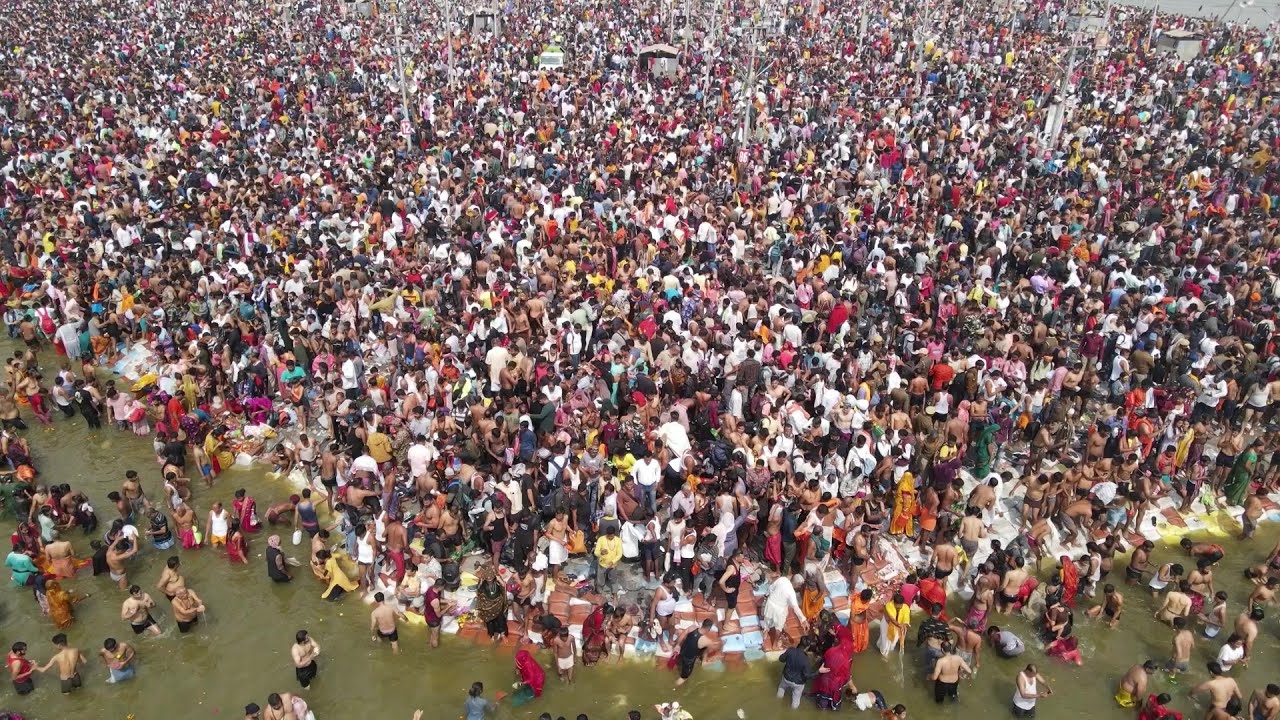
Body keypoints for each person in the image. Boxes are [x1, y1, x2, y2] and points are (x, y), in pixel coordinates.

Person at [674, 618, 718, 687]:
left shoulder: (692, 627)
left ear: (702, 624)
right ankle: (674, 689)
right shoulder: (707, 641)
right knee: (684, 678)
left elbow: (682, 635)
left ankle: (703, 661)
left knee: (704, 647)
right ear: (709, 629)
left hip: (682, 652)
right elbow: (714, 648)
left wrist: (678, 645)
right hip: (688, 661)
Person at [776, 636, 815, 710]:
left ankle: (777, 704)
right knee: (796, 700)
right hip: (798, 684)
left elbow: (781, 659)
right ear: (808, 647)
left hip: (786, 678)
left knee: (781, 688)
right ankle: (792, 713)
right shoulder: (806, 660)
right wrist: (818, 672)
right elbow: (807, 676)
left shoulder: (790, 650)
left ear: (799, 642)